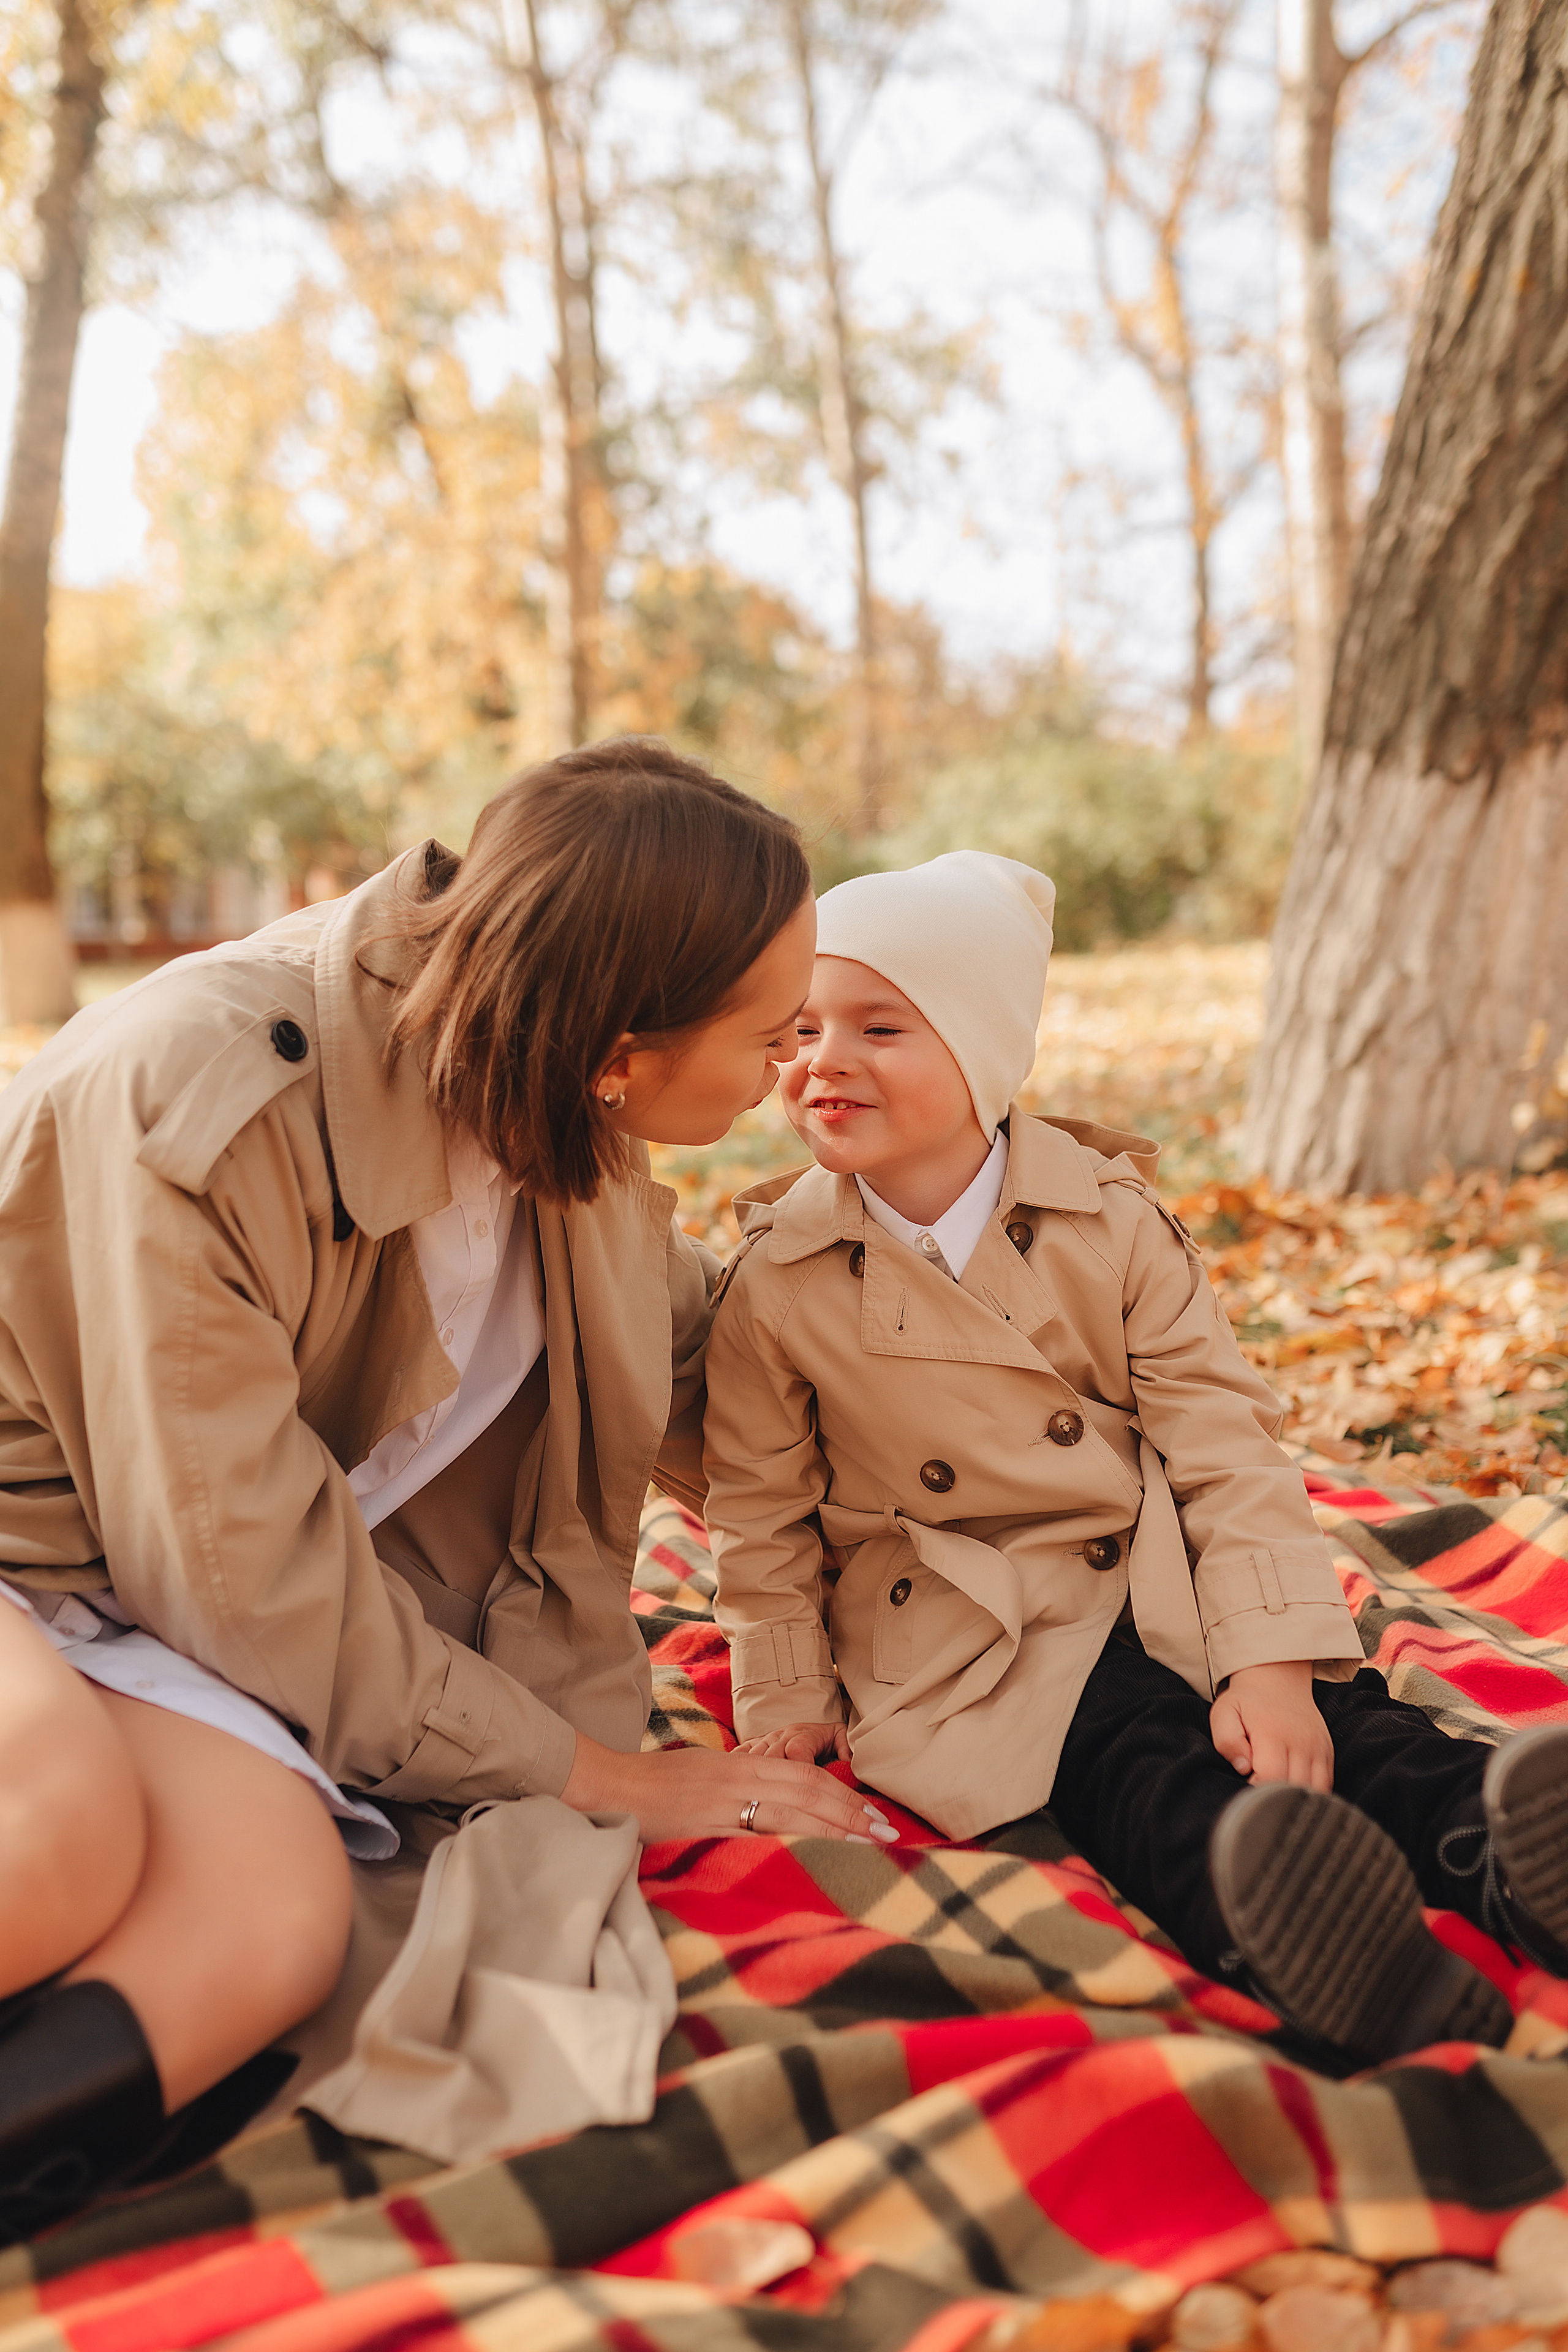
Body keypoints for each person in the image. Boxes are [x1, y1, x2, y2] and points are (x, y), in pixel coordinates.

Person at [0, 741, 896, 2242]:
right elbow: (240, 1573)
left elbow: (711, 1385)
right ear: (622, 1041)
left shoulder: (545, 1090)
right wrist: (599, 1773)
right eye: (766, 1034)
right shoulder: (196, 1100)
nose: (786, 1070)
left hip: (129, 1605)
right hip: (86, 1556)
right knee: (62, 1834)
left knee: (273, 1930)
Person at [702, 850, 1568, 2068]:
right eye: (798, 1030)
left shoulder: (1107, 1224)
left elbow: (1222, 1446)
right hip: (960, 1618)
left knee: (1343, 1725)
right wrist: (783, 1704)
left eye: (879, 1026)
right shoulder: (779, 1279)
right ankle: (1322, 1946)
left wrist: (1266, 1658)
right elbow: (757, 1511)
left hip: (1141, 1561)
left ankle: (1504, 1853)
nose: (821, 1059)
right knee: (1134, 1762)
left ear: (984, 1053)